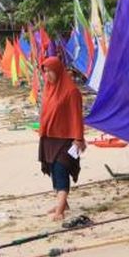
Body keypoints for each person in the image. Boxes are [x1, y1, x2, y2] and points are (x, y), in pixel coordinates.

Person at [38, 57, 86, 221]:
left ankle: (60, 211)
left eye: (50, 71)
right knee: (53, 170)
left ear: (58, 70)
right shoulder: (48, 88)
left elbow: (76, 116)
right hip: (50, 138)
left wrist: (79, 138)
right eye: (45, 72)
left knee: (61, 170)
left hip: (67, 138)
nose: (47, 75)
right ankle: (63, 203)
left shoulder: (71, 91)